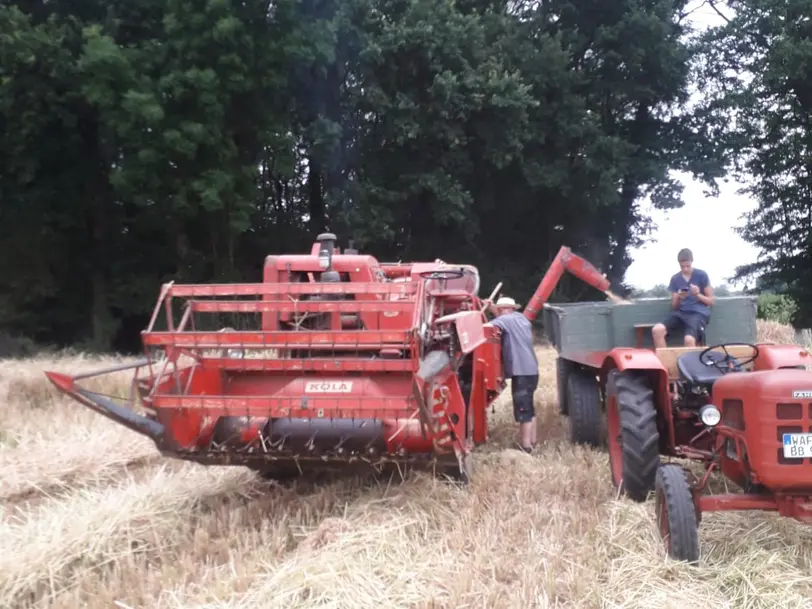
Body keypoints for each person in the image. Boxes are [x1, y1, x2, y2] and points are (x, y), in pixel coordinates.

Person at [484, 296, 539, 453]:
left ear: (503, 310)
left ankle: (526, 447)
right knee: (529, 406)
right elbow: (502, 315)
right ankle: (533, 441)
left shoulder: (504, 321)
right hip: (532, 371)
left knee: (523, 409)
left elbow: (484, 327)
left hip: (520, 371)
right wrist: (490, 307)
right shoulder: (522, 319)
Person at [652, 248, 715, 348]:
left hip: (698, 313)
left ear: (692, 262)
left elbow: (711, 301)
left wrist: (697, 294)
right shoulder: (675, 279)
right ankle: (664, 362)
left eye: (688, 266)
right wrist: (678, 298)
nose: (685, 269)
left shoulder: (702, 275)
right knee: (657, 330)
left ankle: (688, 363)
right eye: (682, 266)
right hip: (681, 313)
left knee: (689, 340)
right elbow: (674, 307)